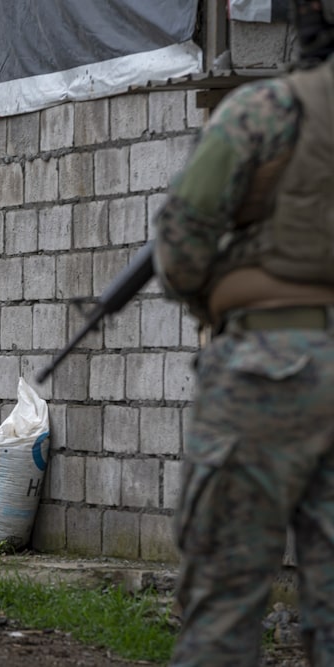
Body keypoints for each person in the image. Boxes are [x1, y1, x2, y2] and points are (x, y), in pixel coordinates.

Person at [153, 2, 334, 663]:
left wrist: (221, 298)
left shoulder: (266, 111)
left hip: (268, 368)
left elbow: (180, 245)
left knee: (225, 601)